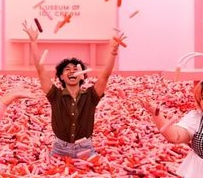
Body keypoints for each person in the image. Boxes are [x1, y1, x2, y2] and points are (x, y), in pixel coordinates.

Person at [21, 21, 125, 158]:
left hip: (85, 148)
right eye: (67, 70)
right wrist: (33, 42)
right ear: (61, 77)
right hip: (60, 148)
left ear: (82, 75)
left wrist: (113, 51)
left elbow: (105, 76)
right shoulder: (55, 95)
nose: (72, 72)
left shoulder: (91, 96)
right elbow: (40, 70)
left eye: (75, 69)